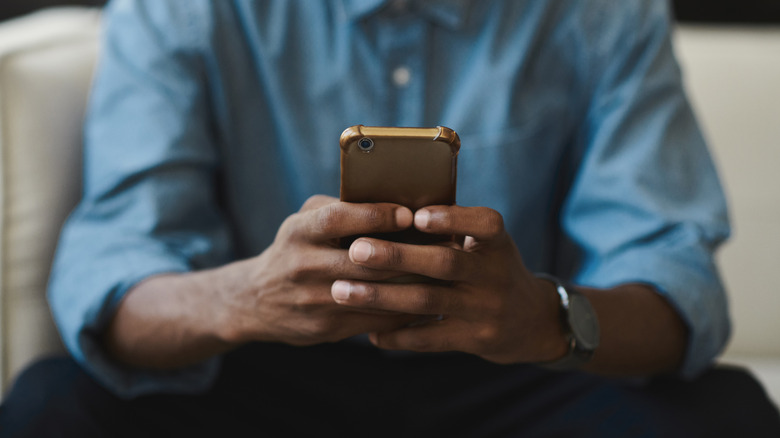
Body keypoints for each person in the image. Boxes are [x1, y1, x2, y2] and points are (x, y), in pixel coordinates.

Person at [1, 0, 779, 436]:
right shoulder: (181, 13)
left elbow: (677, 289)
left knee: (730, 415)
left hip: (513, 373)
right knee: (50, 408)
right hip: (253, 376)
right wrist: (246, 296)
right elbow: (116, 270)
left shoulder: (603, 17)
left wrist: (542, 316)